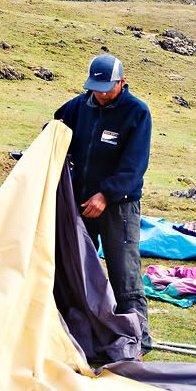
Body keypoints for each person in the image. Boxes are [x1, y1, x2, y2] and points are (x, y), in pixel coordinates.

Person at [54, 54, 152, 355]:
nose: (100, 94)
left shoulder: (136, 113)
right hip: (80, 204)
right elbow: (55, 131)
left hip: (119, 208)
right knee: (74, 265)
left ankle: (139, 337)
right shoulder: (77, 107)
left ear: (121, 83)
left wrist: (106, 195)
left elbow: (134, 166)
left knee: (125, 271)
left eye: (106, 88)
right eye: (95, 87)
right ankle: (74, 330)